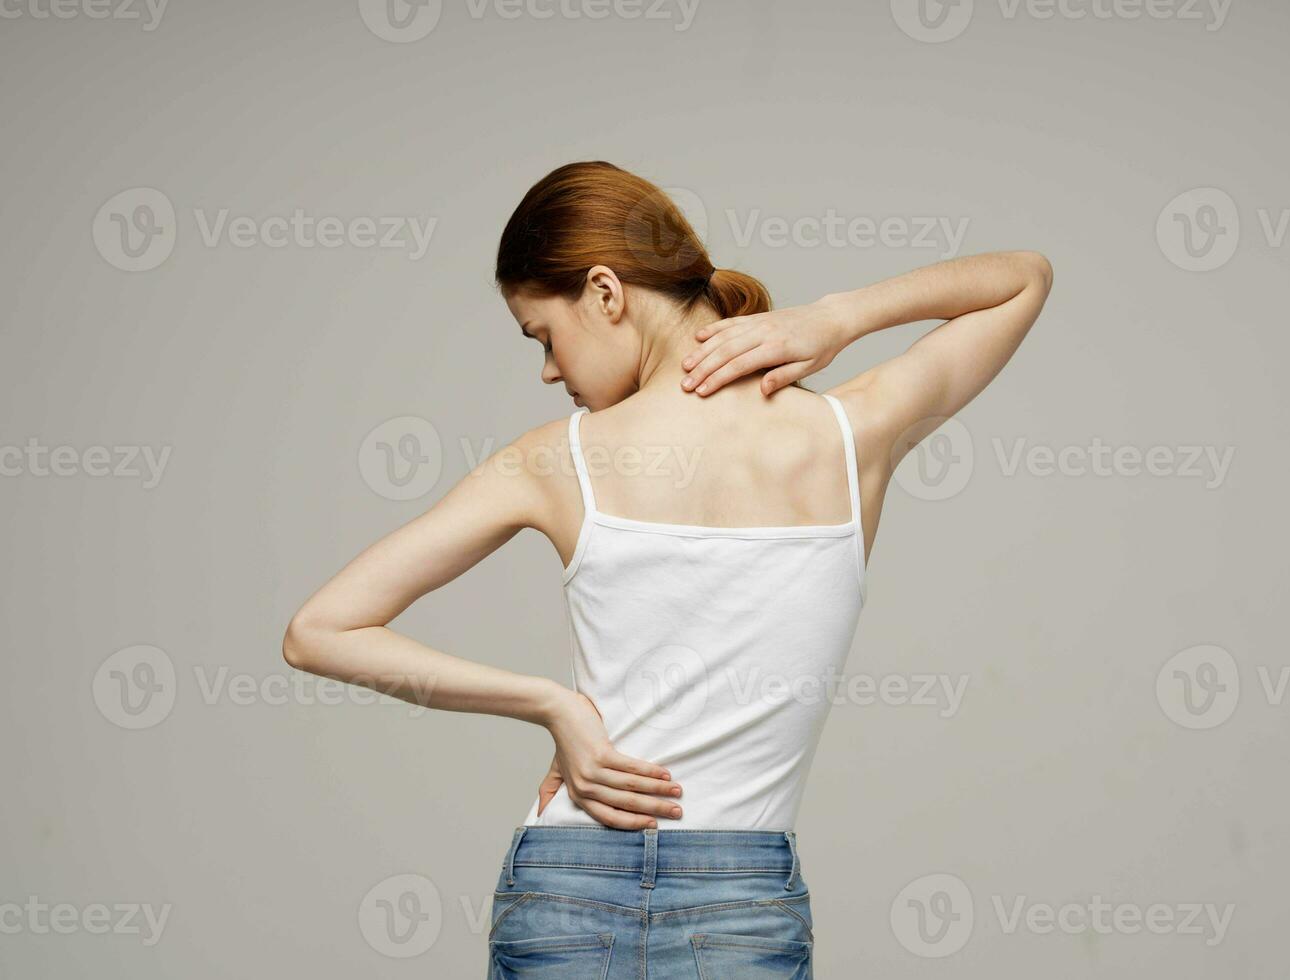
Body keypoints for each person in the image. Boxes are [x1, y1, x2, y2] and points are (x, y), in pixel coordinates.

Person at [283, 160, 1052, 978]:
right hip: (741, 908)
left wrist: (554, 708)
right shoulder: (852, 433)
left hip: (566, 891)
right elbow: (1024, 279)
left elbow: (317, 632)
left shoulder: (552, 461)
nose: (549, 371)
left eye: (544, 336)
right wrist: (840, 318)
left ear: (607, 292)